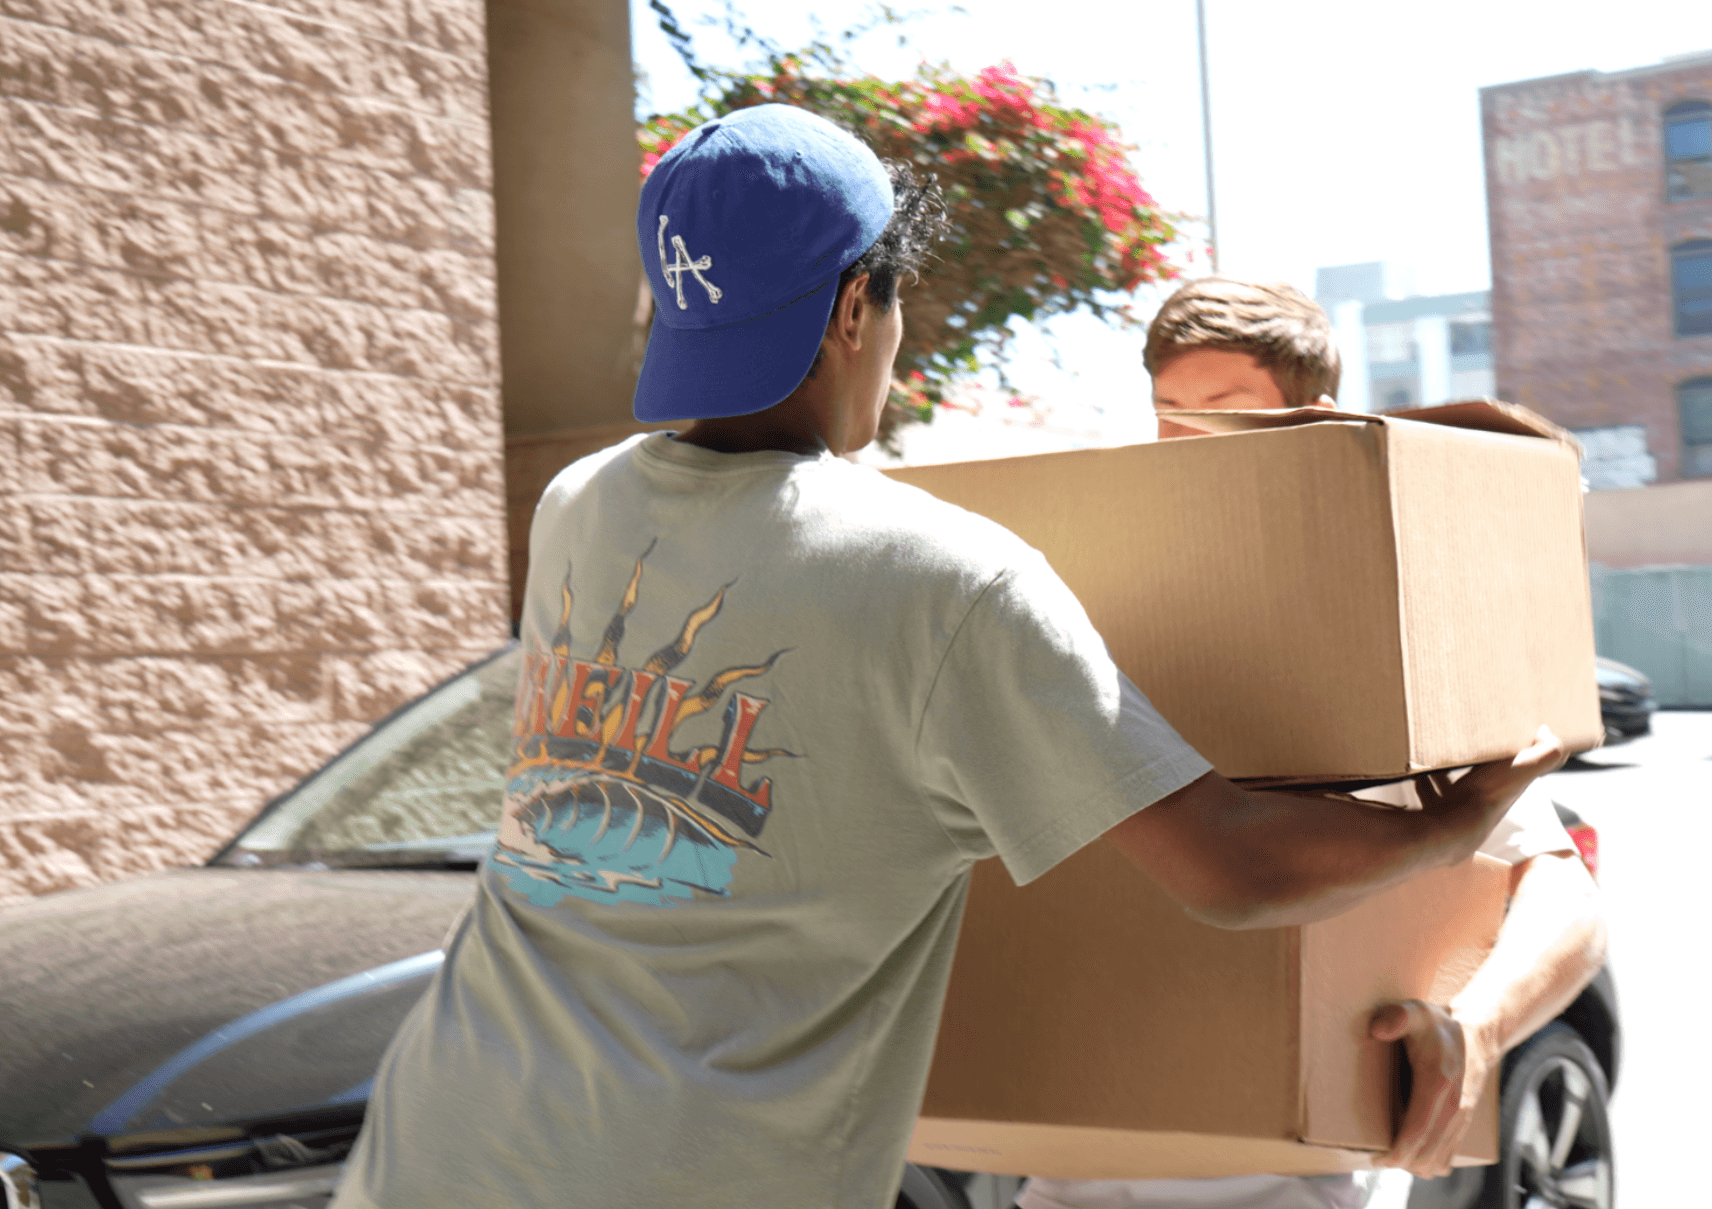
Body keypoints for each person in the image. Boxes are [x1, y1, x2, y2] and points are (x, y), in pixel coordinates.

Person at [331, 108, 1564, 1209]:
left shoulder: (577, 508)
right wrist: (1447, 825)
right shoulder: (947, 578)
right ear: (855, 310)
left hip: (440, 1141)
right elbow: (1228, 867)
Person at [1015, 279, 1611, 1209]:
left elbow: (1567, 903)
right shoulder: (1091, 622)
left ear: (1311, 422)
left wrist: (1480, 1029)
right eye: (1167, 417)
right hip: (1062, 1179)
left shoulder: (1376, 666)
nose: (1182, 446)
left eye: (1222, 415)